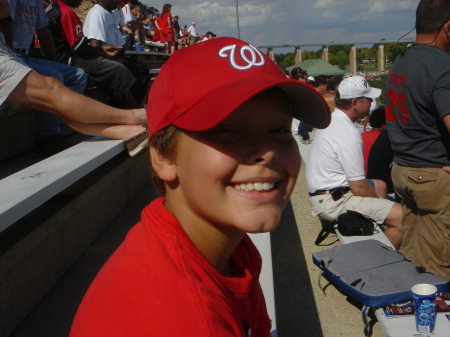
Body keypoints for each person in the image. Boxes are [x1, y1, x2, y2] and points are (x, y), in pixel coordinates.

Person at [69, 37, 330, 336]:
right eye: (229, 130)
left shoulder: (223, 245)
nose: (267, 150)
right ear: (165, 156)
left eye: (279, 130)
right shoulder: (183, 318)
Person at [386, 0, 450, 280]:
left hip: (402, 172)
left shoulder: (402, 60)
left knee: (411, 255)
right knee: (439, 263)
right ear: (448, 28)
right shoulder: (442, 66)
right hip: (433, 176)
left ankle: (411, 311)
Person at [306, 76, 403, 249]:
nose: (372, 102)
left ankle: (376, 236)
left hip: (324, 194)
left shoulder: (332, 119)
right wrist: (380, 203)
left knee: (380, 185)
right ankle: (372, 265)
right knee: (404, 218)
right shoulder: (348, 133)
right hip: (334, 202)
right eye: (369, 99)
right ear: (355, 102)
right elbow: (358, 187)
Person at [7, 0, 89, 154]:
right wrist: (9, 57)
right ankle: (46, 137)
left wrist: (53, 62)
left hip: (26, 55)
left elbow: (43, 31)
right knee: (54, 76)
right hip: (10, 53)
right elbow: (5, 24)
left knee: (77, 75)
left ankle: (57, 125)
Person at [46, 0, 145, 109]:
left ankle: (127, 109)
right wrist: (104, 54)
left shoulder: (59, 9)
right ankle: (130, 112)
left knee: (139, 68)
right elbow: (81, 47)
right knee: (118, 70)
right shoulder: (64, 11)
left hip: (71, 55)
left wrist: (102, 50)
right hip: (69, 60)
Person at [83, 0, 150, 106]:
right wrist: (108, 54)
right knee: (132, 71)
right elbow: (94, 45)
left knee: (142, 69)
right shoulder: (98, 13)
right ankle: (125, 108)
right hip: (103, 57)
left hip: (115, 54)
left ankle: (130, 106)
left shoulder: (110, 13)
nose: (117, 1)